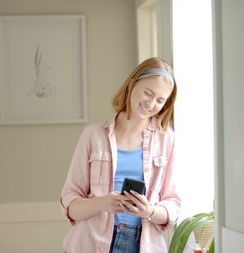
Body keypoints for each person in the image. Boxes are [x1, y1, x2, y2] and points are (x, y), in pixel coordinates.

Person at [60, 57, 181, 253]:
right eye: (148, 93)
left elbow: (172, 205)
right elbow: (70, 204)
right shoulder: (93, 135)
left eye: (160, 100)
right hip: (89, 243)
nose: (151, 104)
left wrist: (149, 211)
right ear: (132, 84)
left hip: (142, 243)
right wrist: (102, 203)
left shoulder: (167, 140)